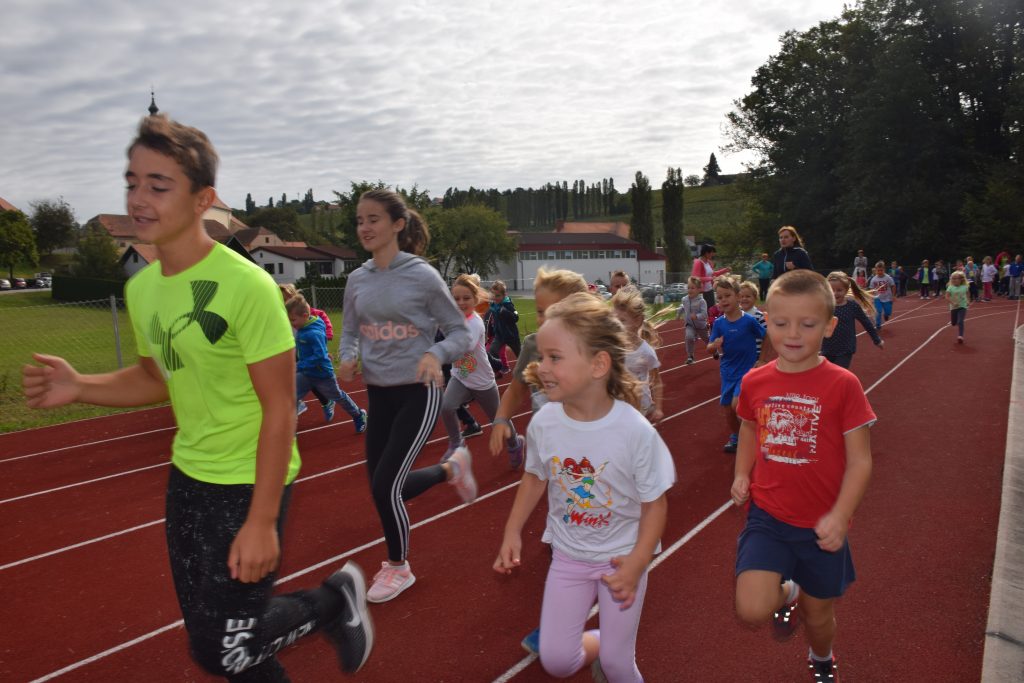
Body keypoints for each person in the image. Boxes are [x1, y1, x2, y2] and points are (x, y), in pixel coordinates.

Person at [22, 114, 373, 680]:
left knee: (224, 648)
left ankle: (334, 601)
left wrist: (262, 519)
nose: (139, 198)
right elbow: (157, 378)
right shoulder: (142, 288)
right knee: (225, 647)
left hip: (248, 481)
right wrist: (81, 385)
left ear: (202, 198)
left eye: (158, 186)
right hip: (189, 477)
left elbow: (280, 408)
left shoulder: (248, 287)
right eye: (132, 181)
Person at [493, 292, 675, 682]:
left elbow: (655, 504)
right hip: (569, 556)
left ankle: (607, 652)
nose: (541, 367)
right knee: (556, 661)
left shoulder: (634, 431)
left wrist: (639, 561)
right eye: (542, 356)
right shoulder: (544, 424)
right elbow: (535, 476)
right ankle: (594, 644)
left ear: (598, 364)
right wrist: (512, 531)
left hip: (621, 559)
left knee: (617, 663)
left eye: (554, 357)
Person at [731, 269, 875, 683]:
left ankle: (822, 657)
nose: (792, 334)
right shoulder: (755, 381)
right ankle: (786, 590)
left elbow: (861, 461)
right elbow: (747, 427)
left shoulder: (844, 385)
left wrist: (839, 515)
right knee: (752, 609)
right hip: (769, 517)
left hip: (821, 526)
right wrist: (743, 472)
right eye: (780, 323)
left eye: (807, 324)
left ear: (829, 326)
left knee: (818, 617)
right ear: (766, 321)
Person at [338, 188, 477, 603]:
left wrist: (436, 354)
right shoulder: (356, 279)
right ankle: (451, 470)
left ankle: (399, 568)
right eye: (360, 219)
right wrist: (347, 357)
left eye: (374, 219)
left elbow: (461, 333)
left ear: (398, 225)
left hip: (419, 391)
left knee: (385, 488)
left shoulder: (422, 276)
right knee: (383, 485)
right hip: (378, 394)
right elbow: (348, 331)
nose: (364, 227)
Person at [488, 267, 589, 460]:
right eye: (540, 311)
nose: (543, 319)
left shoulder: (589, 350)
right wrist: (501, 419)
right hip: (544, 440)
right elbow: (516, 390)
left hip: (584, 443)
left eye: (553, 312)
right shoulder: (533, 345)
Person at [439, 274, 524, 466]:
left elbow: (464, 346)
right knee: (446, 406)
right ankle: (456, 443)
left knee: (498, 420)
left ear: (475, 299)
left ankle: (514, 443)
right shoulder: (452, 319)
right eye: (456, 298)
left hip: (482, 381)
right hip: (460, 377)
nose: (461, 303)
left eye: (466, 298)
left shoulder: (475, 323)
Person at [285, 294, 367, 430]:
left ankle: (358, 414)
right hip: (306, 374)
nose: (291, 324)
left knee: (338, 396)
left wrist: (299, 365)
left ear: (305, 316)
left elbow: (320, 357)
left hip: (322, 375)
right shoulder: (303, 328)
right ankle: (288, 429)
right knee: (290, 398)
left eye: (293, 320)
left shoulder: (313, 333)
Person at [706, 275, 765, 453]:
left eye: (727, 295)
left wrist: (762, 359)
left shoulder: (749, 321)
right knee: (727, 409)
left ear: (737, 296)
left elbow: (766, 337)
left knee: (736, 404)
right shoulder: (719, 324)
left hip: (746, 371)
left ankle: (752, 435)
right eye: (720, 297)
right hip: (727, 372)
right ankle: (736, 435)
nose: (723, 300)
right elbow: (709, 347)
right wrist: (714, 346)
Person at [280, 283, 335, 415]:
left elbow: (321, 315)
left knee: (310, 378)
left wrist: (327, 334)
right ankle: (299, 402)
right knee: (290, 376)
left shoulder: (302, 310)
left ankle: (326, 401)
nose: (283, 302)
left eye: (286, 298)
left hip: (303, 350)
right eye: (281, 299)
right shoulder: (280, 314)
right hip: (290, 349)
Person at [611, 285, 664, 423]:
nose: (617, 325)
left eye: (622, 320)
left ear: (637, 321)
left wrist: (657, 408)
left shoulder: (646, 352)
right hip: (618, 405)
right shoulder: (612, 347)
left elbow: (657, 381)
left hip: (640, 407)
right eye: (615, 320)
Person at [823, 271, 883, 369]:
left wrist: (876, 340)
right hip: (826, 349)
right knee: (826, 377)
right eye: (831, 290)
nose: (835, 293)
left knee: (839, 375)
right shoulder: (824, 306)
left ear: (846, 290)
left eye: (839, 290)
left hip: (845, 349)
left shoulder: (852, 306)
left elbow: (866, 323)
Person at [485, 280, 521, 375]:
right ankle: (500, 367)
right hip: (499, 335)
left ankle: (527, 370)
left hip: (511, 336)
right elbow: (493, 318)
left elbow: (516, 316)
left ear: (504, 295)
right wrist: (493, 328)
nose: (495, 298)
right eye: (494, 295)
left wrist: (506, 312)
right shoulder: (493, 305)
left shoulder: (508, 305)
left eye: (498, 296)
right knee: (492, 350)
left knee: (520, 355)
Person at [676, 276, 710, 365]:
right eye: (688, 288)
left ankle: (715, 352)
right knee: (689, 337)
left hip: (701, 326)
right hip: (690, 324)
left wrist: (697, 316)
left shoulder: (702, 301)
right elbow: (683, 307)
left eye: (692, 288)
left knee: (707, 340)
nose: (690, 290)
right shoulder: (685, 299)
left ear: (699, 289)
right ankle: (690, 356)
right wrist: (678, 313)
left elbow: (705, 315)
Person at [692, 244, 731, 310]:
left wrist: (725, 270)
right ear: (706, 253)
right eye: (712, 253)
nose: (713, 255)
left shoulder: (709, 262)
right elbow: (696, 278)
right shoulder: (698, 262)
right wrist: (710, 279)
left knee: (712, 309)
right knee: (704, 311)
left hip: (709, 290)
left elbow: (713, 274)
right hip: (701, 292)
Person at [737, 280, 768, 361]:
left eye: (748, 296)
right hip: (740, 354)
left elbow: (766, 336)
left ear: (755, 298)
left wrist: (762, 358)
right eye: (741, 296)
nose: (744, 299)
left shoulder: (759, 316)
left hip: (755, 354)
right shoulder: (735, 315)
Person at [867, 261, 897, 329]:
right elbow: (871, 289)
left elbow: (893, 286)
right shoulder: (874, 279)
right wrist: (871, 298)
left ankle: (886, 315)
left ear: (884, 269)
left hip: (887, 298)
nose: (880, 272)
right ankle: (878, 325)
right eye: (878, 270)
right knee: (878, 311)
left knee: (888, 312)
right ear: (876, 270)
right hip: (878, 298)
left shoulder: (888, 278)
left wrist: (893, 296)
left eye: (881, 270)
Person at [946, 270, 970, 343]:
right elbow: (947, 297)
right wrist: (952, 303)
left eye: (956, 278)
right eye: (953, 278)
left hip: (962, 306)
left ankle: (960, 336)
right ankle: (955, 322)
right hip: (953, 307)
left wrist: (968, 300)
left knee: (960, 321)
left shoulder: (964, 287)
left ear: (961, 279)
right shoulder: (950, 287)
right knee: (953, 323)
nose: (954, 280)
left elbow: (967, 293)